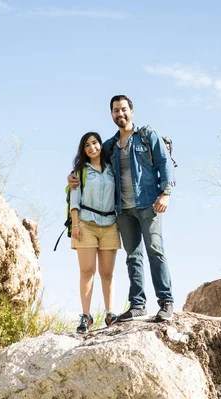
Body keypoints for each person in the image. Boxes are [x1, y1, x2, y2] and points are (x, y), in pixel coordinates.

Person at [68, 95, 176, 322]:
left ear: (132, 112)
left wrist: (165, 193)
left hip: (149, 204)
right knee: (133, 256)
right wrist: (72, 177)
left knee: (155, 250)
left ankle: (166, 302)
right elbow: (91, 162)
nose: (121, 114)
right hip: (123, 211)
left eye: (124, 109)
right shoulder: (109, 146)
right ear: (111, 115)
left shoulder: (147, 136)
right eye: (116, 111)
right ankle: (137, 304)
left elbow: (164, 162)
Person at [70, 132, 121, 333]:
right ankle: (86, 316)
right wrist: (75, 225)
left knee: (107, 272)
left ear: (101, 145)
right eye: (87, 145)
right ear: (83, 150)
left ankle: (110, 313)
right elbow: (75, 199)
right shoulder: (80, 171)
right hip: (85, 224)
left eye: (95, 143)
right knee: (87, 270)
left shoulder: (112, 170)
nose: (92, 147)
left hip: (110, 224)